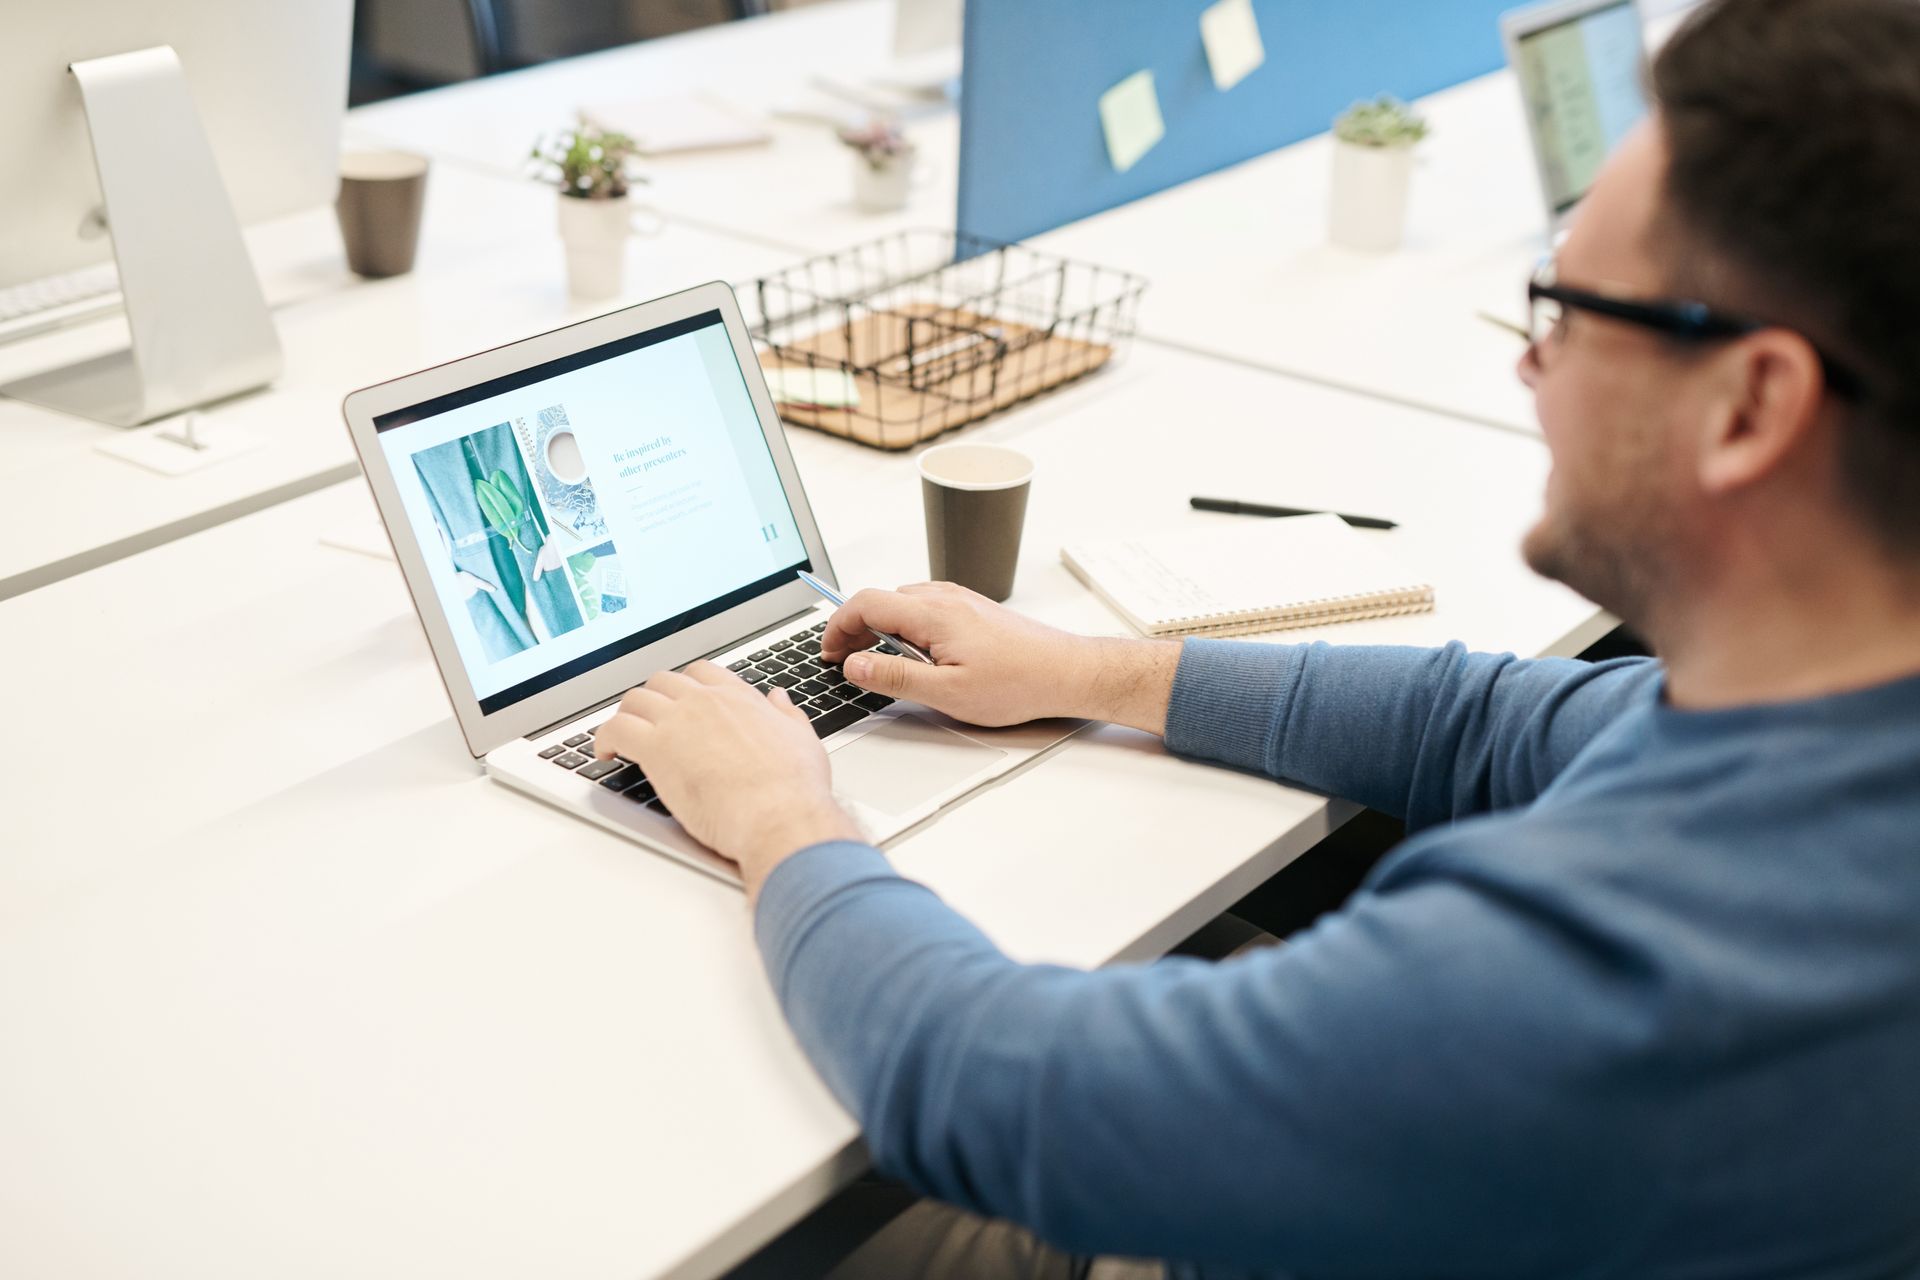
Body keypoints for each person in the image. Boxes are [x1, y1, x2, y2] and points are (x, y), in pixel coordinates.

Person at [594, 0, 1920, 1273]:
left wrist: (781, 815)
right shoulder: (1838, 716)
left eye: (1570, 315)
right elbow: (1487, 722)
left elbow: (1008, 1097)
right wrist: (1078, 671)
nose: (1532, 366)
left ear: (1751, 406)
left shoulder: (1622, 969)